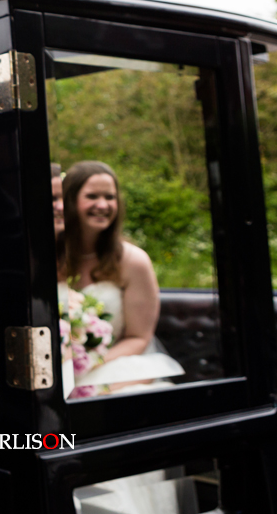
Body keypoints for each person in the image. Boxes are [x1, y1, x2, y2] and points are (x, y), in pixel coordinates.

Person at [56, 161, 183, 397]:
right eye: (92, 196)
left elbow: (139, 337)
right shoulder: (48, 260)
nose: (102, 205)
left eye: (110, 197)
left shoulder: (134, 261)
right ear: (70, 201)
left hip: (116, 366)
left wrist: (84, 365)